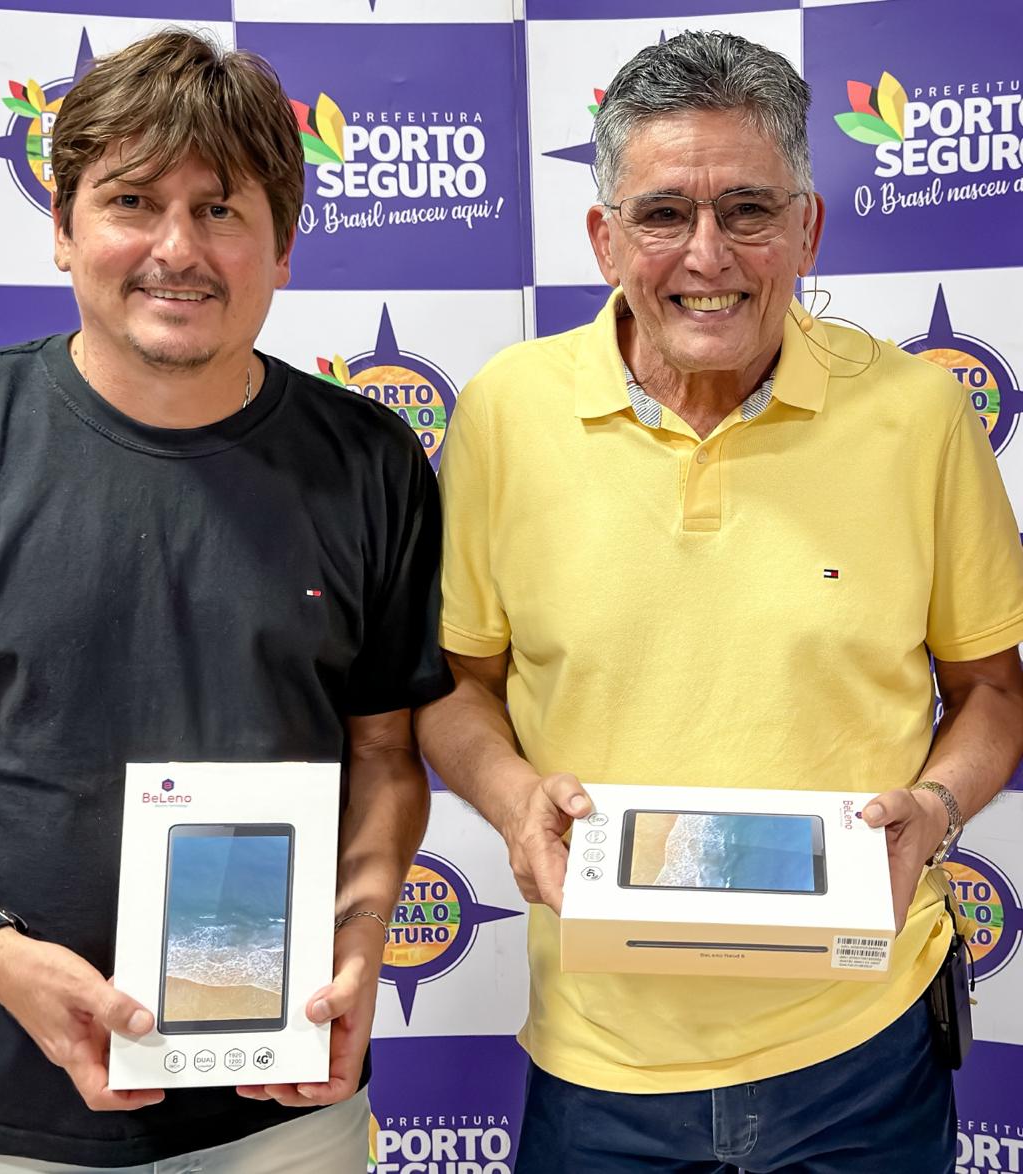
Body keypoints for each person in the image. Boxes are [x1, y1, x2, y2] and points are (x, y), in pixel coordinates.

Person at [0, 29, 451, 1174]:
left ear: (282, 247)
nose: (177, 249)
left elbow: (383, 758)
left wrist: (363, 931)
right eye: (131, 201)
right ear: (63, 228)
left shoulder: (370, 460)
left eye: (220, 209)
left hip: (282, 1113)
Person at [417, 30, 1023, 1174]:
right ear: (602, 238)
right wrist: (509, 797)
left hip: (860, 1051)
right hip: (599, 1066)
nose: (706, 255)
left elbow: (990, 688)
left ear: (806, 228)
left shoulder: (918, 416)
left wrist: (936, 808)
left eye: (747, 210)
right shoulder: (504, 412)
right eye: (661, 214)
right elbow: (456, 683)